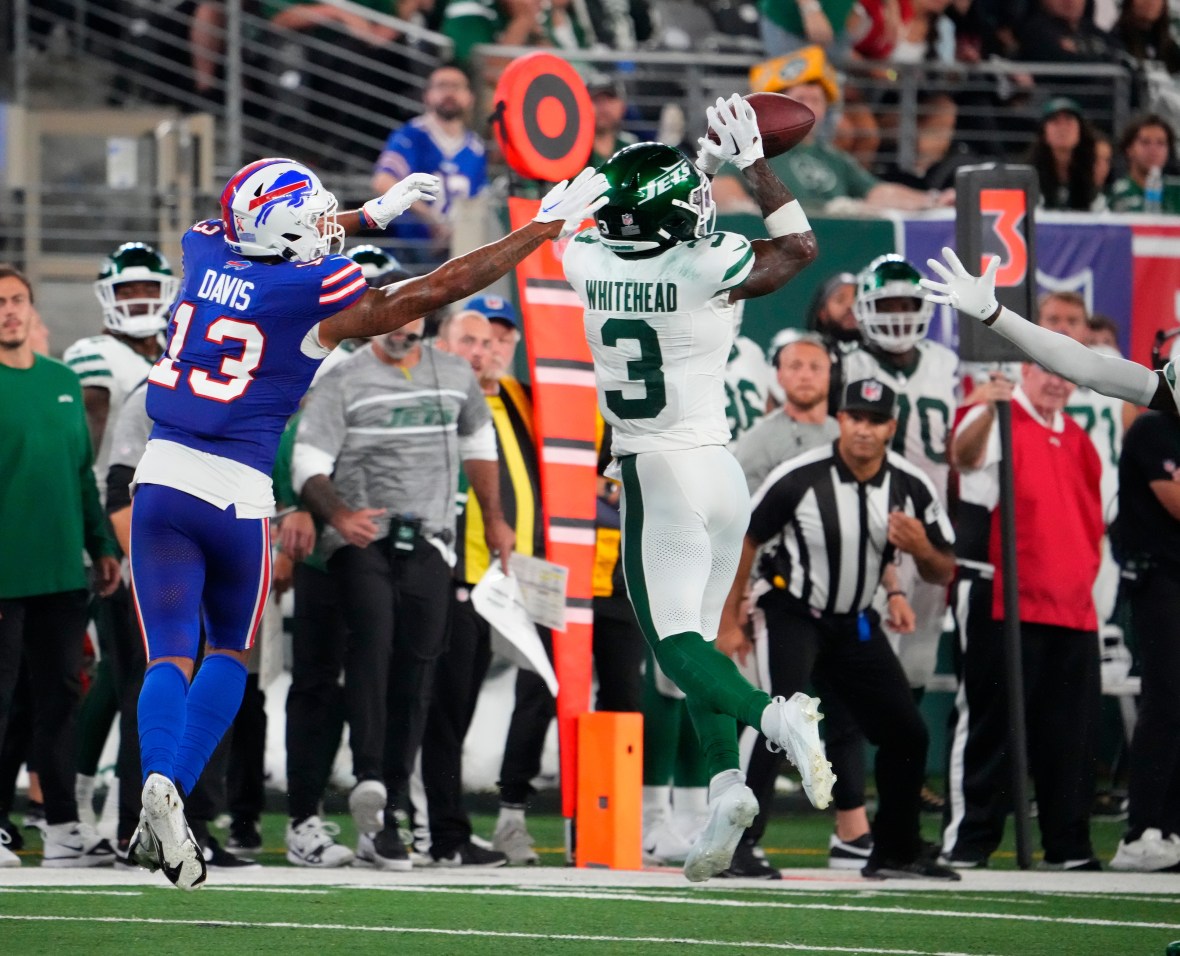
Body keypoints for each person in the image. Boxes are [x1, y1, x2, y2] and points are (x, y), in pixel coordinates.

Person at [124, 156, 608, 889]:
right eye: (318, 219)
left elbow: (267, 232)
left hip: (161, 479)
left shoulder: (204, 248)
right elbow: (440, 287)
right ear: (292, 239)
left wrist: (370, 217)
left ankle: (154, 782)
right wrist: (540, 229)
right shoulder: (310, 290)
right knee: (226, 650)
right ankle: (175, 795)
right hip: (236, 496)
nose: (329, 225)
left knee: (167, 656)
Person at [562, 94, 835, 884]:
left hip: (656, 472)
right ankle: (725, 787)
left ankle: (774, 717)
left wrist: (695, 168)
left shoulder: (587, 262)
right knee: (702, 644)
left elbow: (631, 220)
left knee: (672, 644)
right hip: (719, 470)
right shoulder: (707, 263)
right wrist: (751, 161)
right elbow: (799, 249)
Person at [292, 300, 513, 873]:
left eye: (410, 316)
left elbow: (479, 449)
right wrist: (339, 516)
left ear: (426, 320)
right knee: (372, 644)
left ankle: (389, 811)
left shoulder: (454, 373)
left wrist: (492, 519)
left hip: (433, 540)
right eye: (388, 317)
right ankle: (368, 776)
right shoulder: (342, 377)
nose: (400, 328)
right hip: (362, 539)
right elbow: (307, 461)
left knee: (417, 672)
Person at [720, 378, 958, 880]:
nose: (864, 430)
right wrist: (730, 619)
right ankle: (734, 845)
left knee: (908, 732)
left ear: (891, 427)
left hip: (854, 622)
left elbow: (944, 567)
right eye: (855, 418)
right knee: (780, 720)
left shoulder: (911, 484)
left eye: (875, 421)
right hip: (791, 609)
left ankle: (895, 849)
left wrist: (920, 548)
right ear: (840, 420)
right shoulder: (799, 475)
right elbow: (747, 538)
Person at [0, 265, 122, 868]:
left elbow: (80, 476)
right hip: (2, 575)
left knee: (59, 702)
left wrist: (101, 544)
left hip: (60, 577)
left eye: (18, 300)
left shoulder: (64, 382)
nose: (9, 312)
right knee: (2, 704)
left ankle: (64, 828)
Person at [63, 242, 175, 835]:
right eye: (126, 289)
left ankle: (101, 802)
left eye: (145, 289)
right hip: (115, 525)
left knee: (128, 671)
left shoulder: (177, 352)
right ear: (108, 297)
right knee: (121, 670)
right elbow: (89, 437)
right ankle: (86, 800)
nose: (137, 300)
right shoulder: (95, 355)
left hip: (168, 523)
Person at [718, 332, 839, 878]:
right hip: (775, 594)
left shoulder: (849, 432)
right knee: (777, 715)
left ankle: (868, 836)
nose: (807, 374)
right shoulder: (759, 441)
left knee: (845, 715)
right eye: (796, 364)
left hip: (842, 601)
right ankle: (737, 835)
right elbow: (735, 527)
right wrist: (732, 605)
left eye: (817, 365)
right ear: (778, 375)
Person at [712, 47, 953, 215]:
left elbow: (876, 192)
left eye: (816, 99)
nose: (808, 106)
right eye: (800, 98)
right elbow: (723, 192)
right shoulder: (748, 150)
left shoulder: (835, 159)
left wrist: (931, 200)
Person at [1108, 388, 1180, 870]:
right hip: (1161, 580)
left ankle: (1171, 828)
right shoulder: (1154, 429)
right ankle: (1141, 832)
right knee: (1167, 699)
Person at [370, 64, 488, 265]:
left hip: (459, 252)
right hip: (413, 253)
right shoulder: (411, 136)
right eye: (442, 86)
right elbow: (383, 181)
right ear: (427, 95)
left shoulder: (476, 147)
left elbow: (480, 201)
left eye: (456, 86)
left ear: (470, 97)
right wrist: (430, 218)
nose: (449, 93)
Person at [1028, 97, 1104, 212]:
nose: (1063, 128)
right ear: (1044, 133)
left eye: (1069, 121)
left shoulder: (1094, 168)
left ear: (1080, 130)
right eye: (1055, 122)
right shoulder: (1030, 173)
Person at [1108, 113, 1180, 213]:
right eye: (1145, 142)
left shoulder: (1176, 193)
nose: (1153, 150)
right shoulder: (1116, 196)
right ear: (1129, 149)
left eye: (1161, 143)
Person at [587, 74, 638, 167]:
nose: (602, 105)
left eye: (609, 98)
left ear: (623, 106)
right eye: (595, 99)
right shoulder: (572, 155)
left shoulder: (633, 149)